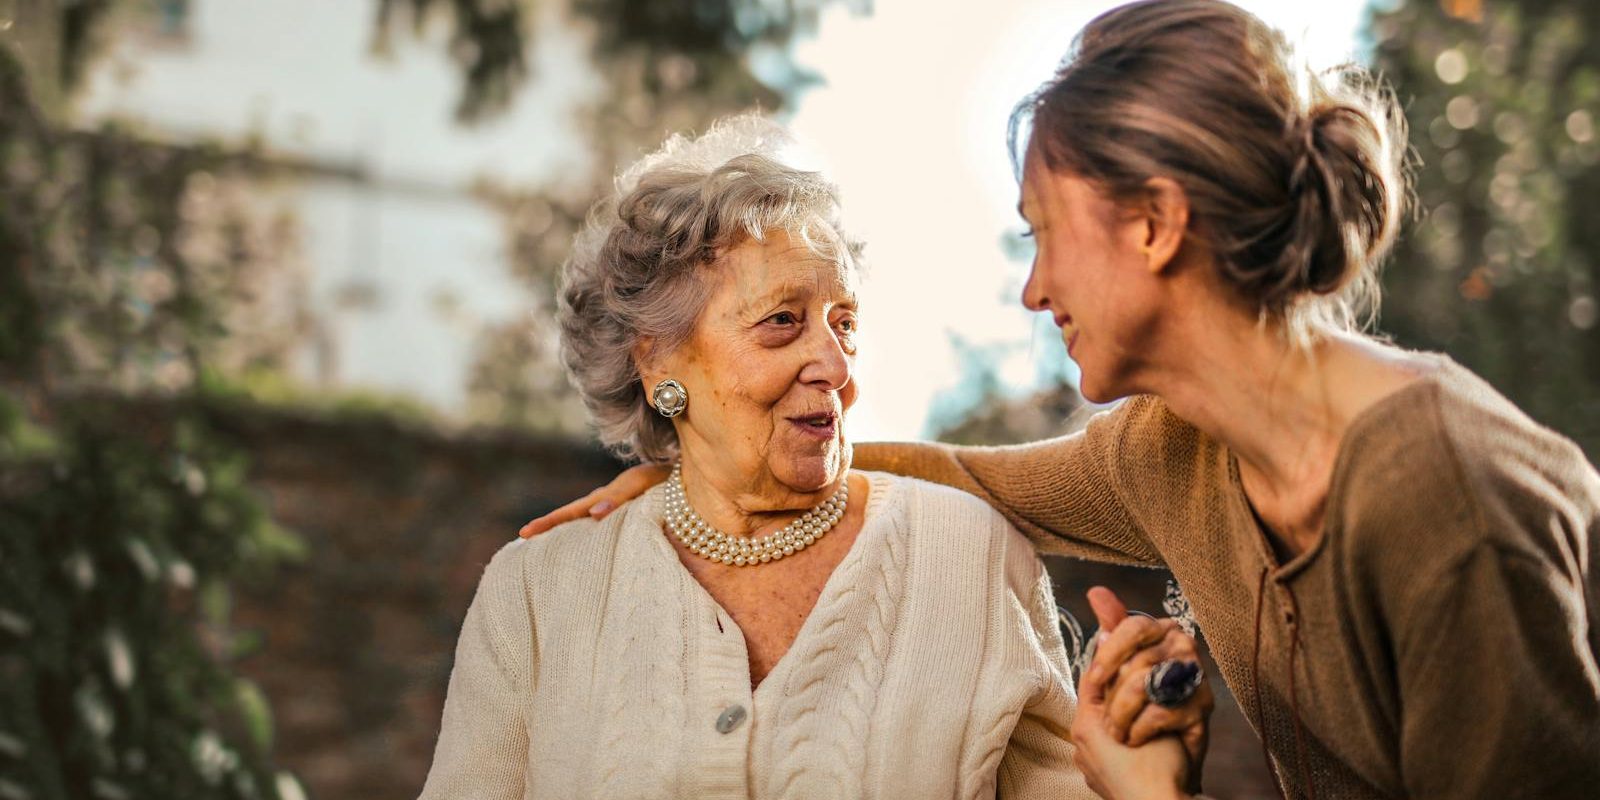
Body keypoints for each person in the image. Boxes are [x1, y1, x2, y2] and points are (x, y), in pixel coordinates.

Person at [518, 2, 1600, 798]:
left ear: (1153, 222)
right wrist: (694, 459)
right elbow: (957, 473)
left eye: (1042, 230)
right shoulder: (1172, 450)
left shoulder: (1444, 500)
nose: (1033, 288)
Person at [418, 115, 1138, 799]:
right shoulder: (538, 592)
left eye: (844, 323)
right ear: (659, 362)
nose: (833, 363)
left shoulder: (972, 556)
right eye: (782, 322)